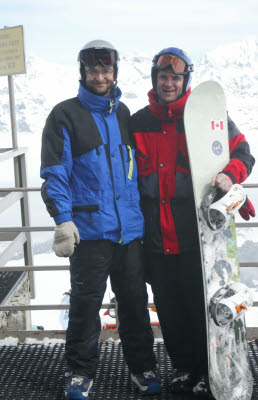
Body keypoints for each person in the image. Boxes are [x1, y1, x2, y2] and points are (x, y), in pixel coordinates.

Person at [130, 47, 255, 397]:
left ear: (185, 81)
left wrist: (231, 174)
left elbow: (243, 152)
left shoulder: (205, 118)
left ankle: (208, 368)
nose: (169, 83)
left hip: (196, 238)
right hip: (156, 237)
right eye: (163, 77)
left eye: (176, 77)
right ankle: (186, 369)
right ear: (155, 80)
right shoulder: (139, 123)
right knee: (169, 310)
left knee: (200, 308)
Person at [40, 40, 161, 400]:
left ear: (114, 72)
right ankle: (80, 372)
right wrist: (63, 219)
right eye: (92, 70)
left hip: (128, 232)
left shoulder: (124, 114)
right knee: (85, 305)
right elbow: (56, 173)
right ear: (83, 72)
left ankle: (142, 367)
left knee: (135, 303)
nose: (99, 76)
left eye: (105, 70)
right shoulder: (65, 115)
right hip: (89, 233)